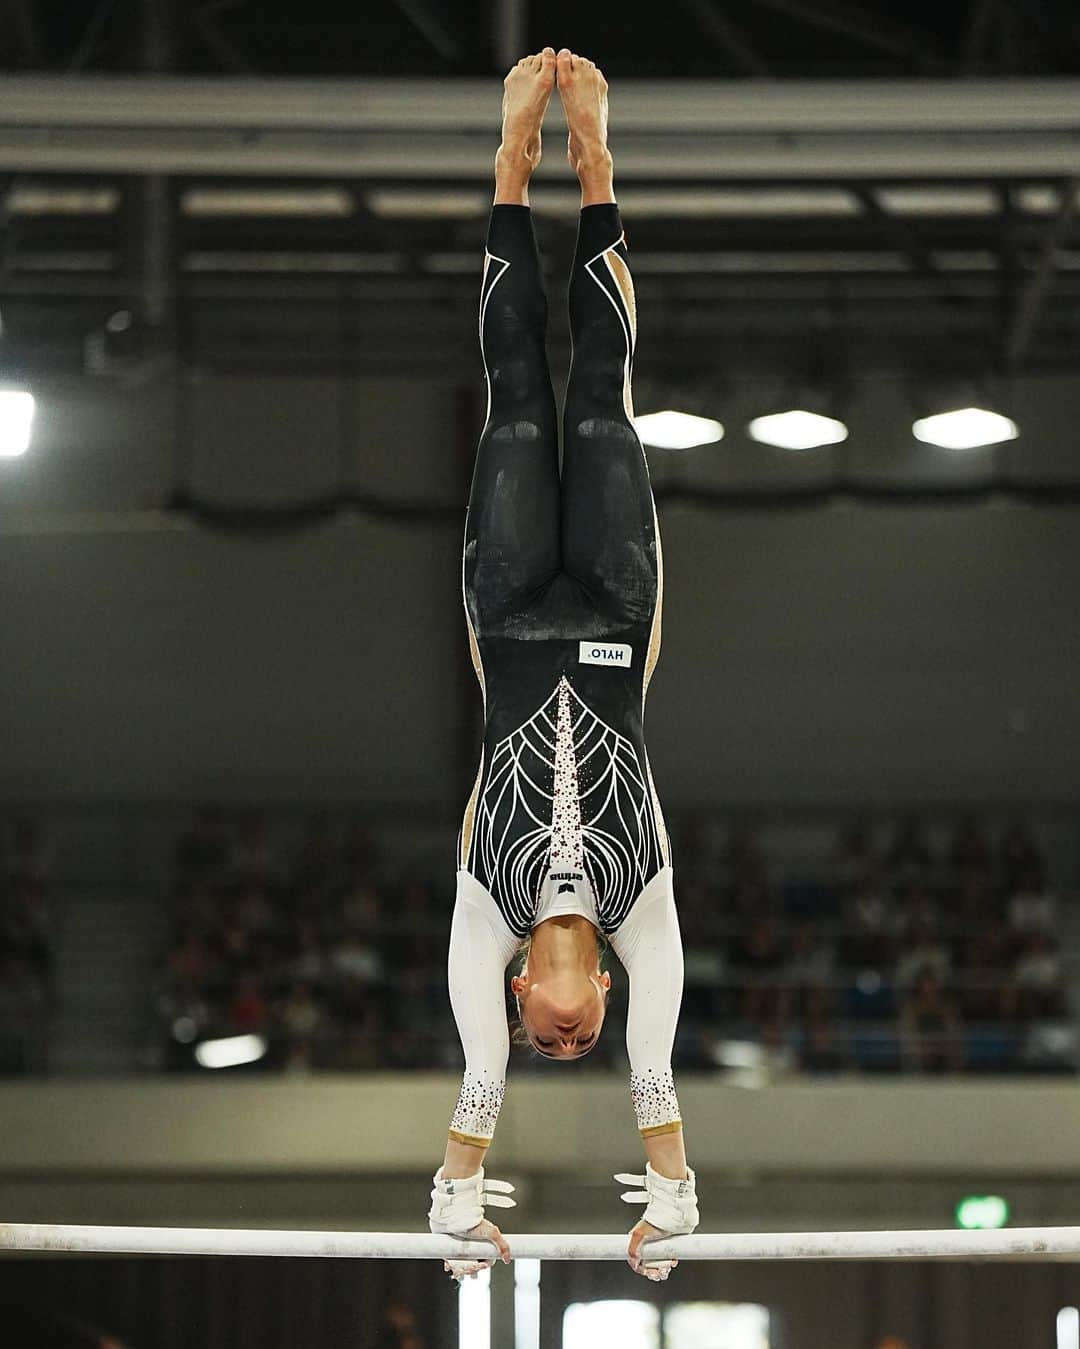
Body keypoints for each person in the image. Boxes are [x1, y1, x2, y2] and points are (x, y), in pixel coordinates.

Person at [426, 48, 698, 1285]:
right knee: (599, 404)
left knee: (516, 403)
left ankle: (505, 159)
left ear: (526, 986)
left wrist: (458, 1205)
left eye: (547, 1034)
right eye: (575, 1040)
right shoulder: (647, 920)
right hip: (614, 612)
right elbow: (659, 1072)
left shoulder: (486, 915)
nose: (564, 1037)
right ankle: (594, 164)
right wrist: (671, 1206)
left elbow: (476, 1083)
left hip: (513, 616)